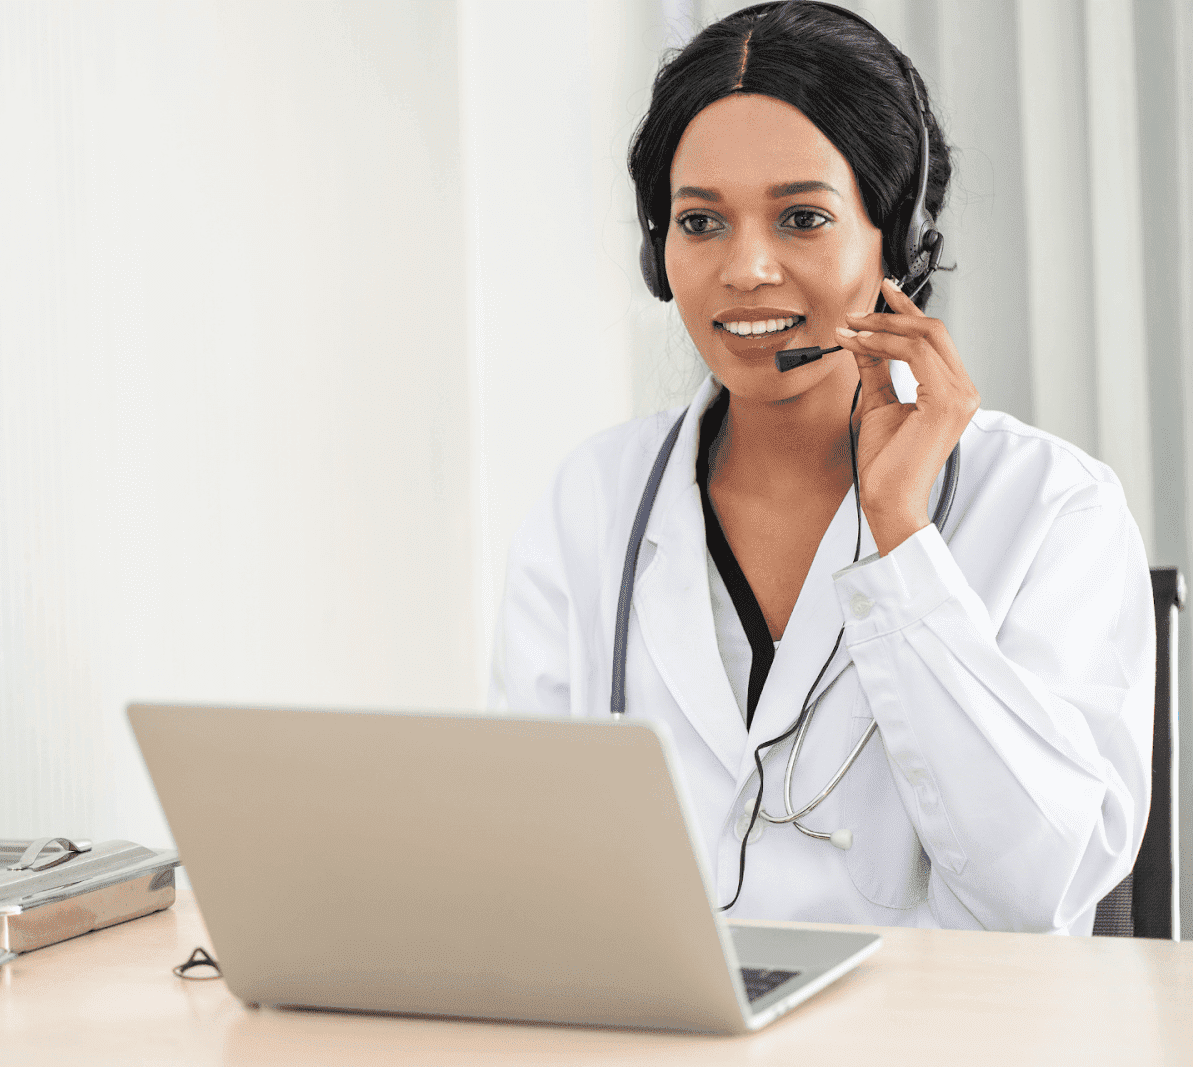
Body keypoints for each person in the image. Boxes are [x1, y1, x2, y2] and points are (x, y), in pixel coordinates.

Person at [489, 1, 1154, 934]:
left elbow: (1040, 888)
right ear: (657, 250)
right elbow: (523, 854)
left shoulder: (1053, 508)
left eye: (802, 216)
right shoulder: (593, 501)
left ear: (900, 240)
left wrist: (902, 541)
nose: (746, 268)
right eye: (700, 221)